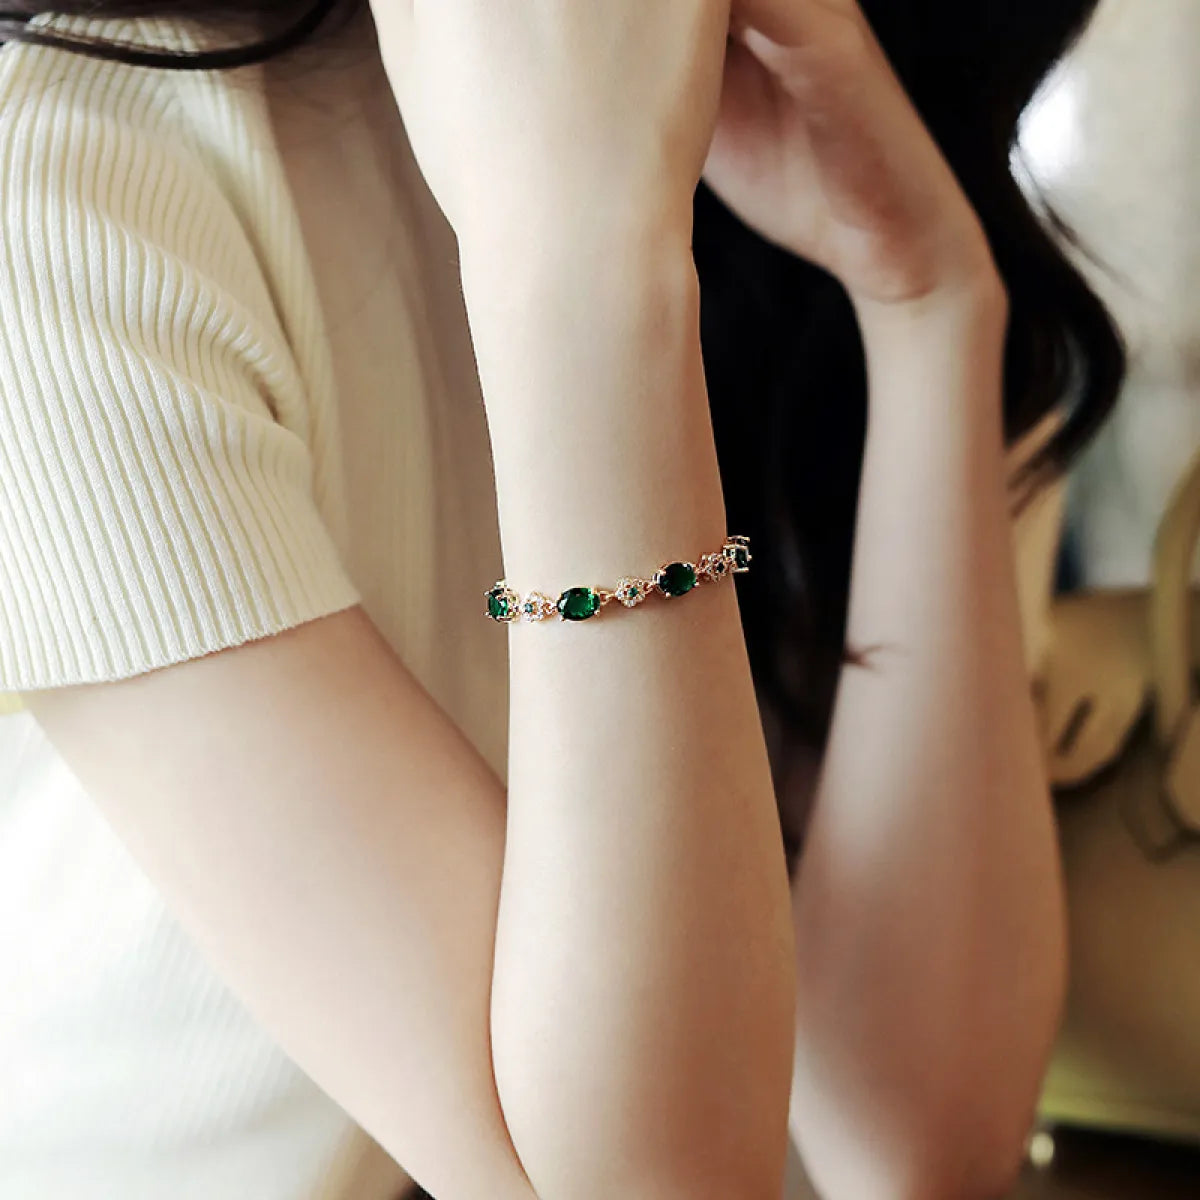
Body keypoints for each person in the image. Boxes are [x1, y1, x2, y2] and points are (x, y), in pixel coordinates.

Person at [0, 1, 1122, 1198]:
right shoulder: (71, 190)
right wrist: (584, 265)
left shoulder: (808, 128)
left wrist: (927, 305)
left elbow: (920, 1143)